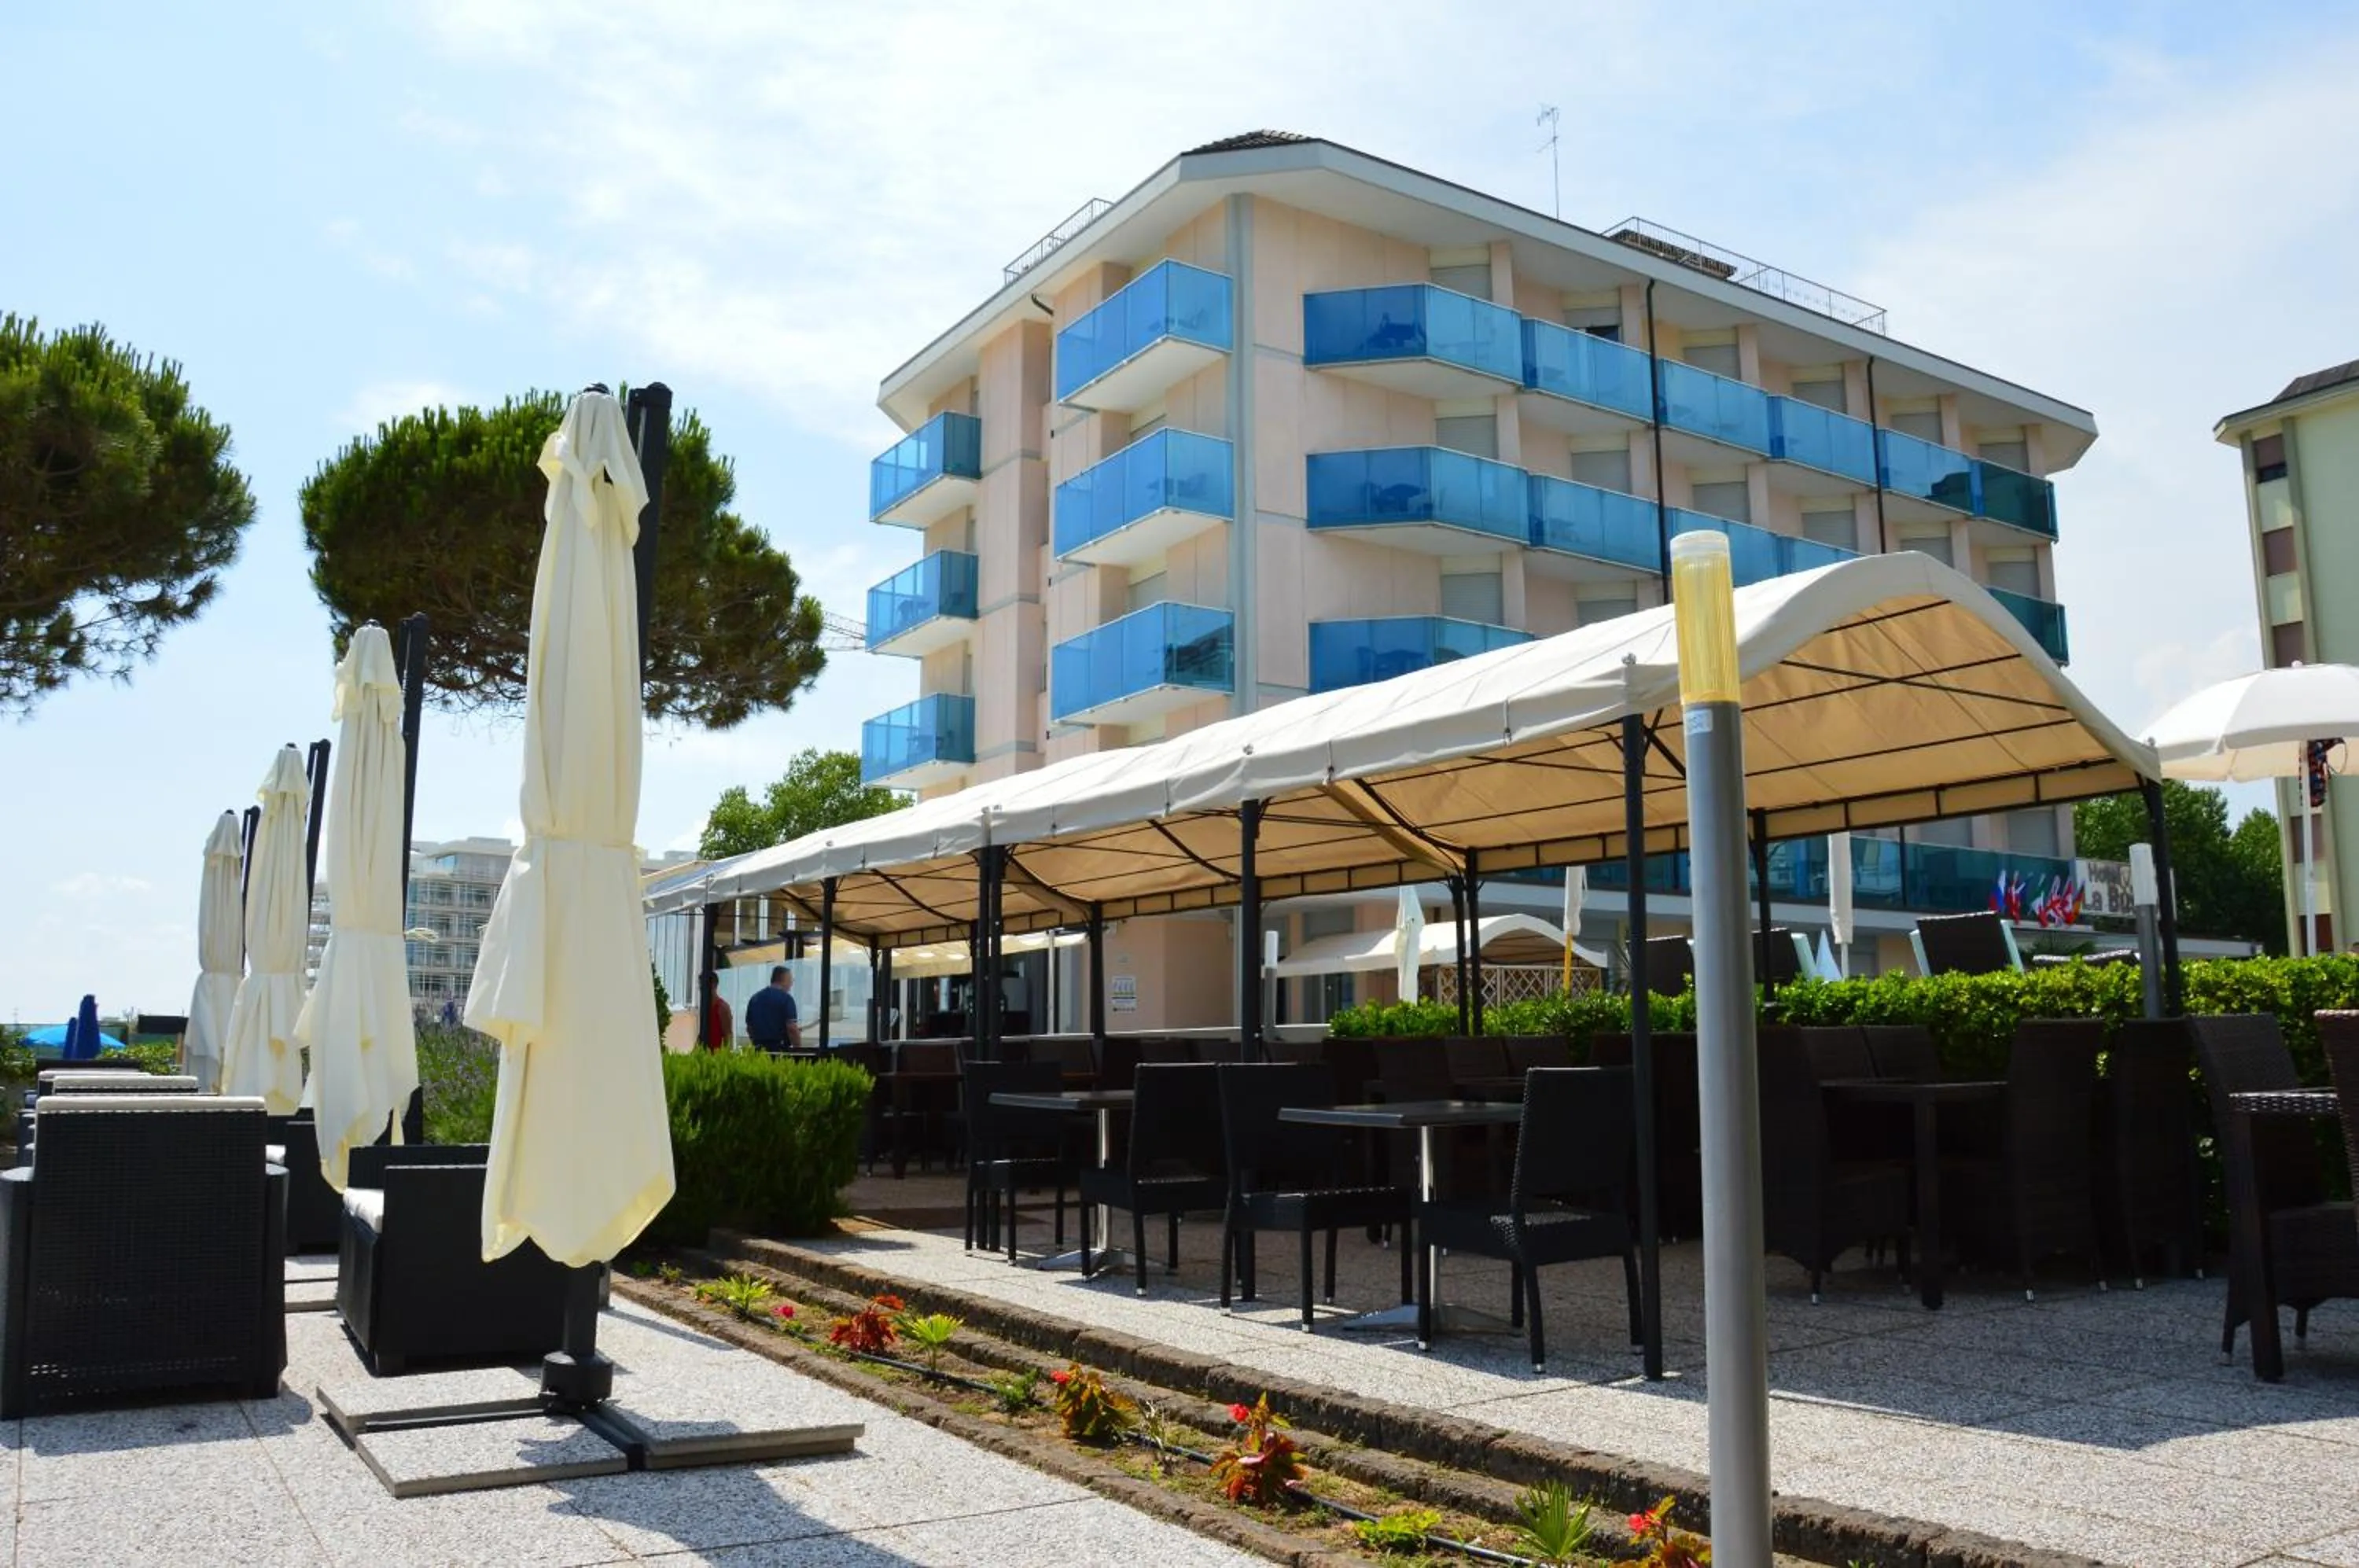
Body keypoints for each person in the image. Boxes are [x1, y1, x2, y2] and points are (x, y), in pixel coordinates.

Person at [746, 965, 800, 1053]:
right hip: (779, 1051)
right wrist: (798, 1051)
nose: (791, 984)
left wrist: (757, 1043)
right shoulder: (786, 999)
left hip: (759, 1051)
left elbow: (749, 1028)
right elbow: (792, 1028)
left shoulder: (755, 998)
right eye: (791, 980)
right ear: (784, 980)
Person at [699, 971, 733, 1052]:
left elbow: (728, 1036)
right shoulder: (705, 1007)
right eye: (700, 985)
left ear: (713, 985)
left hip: (717, 1056)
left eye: (703, 985)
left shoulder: (722, 1007)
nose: (701, 988)